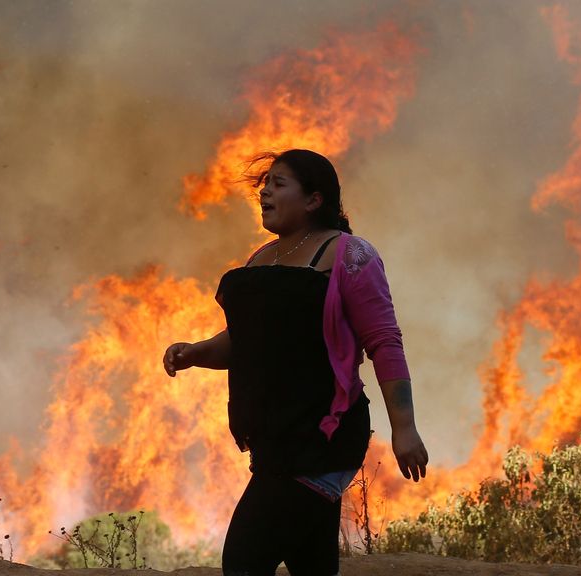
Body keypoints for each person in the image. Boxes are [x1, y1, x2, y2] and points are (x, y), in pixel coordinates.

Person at [162, 149, 428, 576]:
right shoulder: (260, 260)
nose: (264, 191)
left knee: (244, 561)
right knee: (312, 565)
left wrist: (405, 428)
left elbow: (384, 343)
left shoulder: (349, 256)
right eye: (264, 184)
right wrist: (196, 352)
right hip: (274, 441)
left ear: (313, 200)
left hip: (322, 439)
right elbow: (242, 343)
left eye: (278, 183)